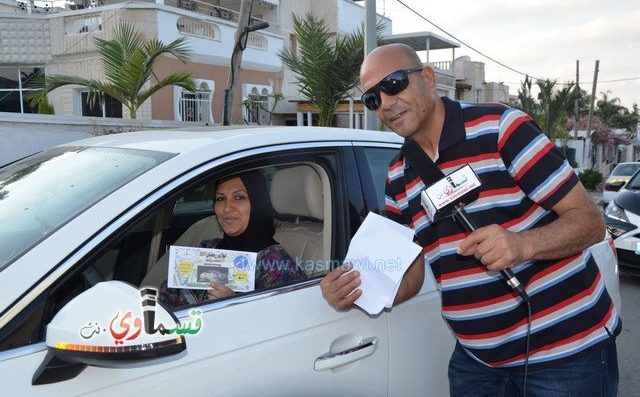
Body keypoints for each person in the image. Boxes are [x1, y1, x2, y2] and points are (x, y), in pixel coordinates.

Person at [320, 43, 620, 396]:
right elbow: (413, 274)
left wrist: (522, 244)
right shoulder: (398, 177)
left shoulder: (500, 128)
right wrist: (356, 292)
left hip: (566, 355)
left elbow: (589, 221)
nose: (386, 102)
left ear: (428, 79)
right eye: (373, 98)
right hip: (477, 364)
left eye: (395, 83)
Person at [160, 170, 305, 307]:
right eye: (221, 198)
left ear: (257, 202)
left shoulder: (277, 265)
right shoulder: (207, 249)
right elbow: (165, 297)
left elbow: (281, 324)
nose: (227, 208)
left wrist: (234, 306)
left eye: (239, 197)